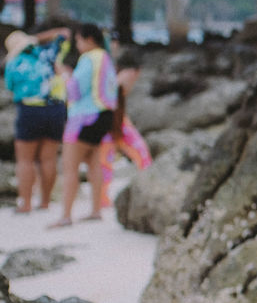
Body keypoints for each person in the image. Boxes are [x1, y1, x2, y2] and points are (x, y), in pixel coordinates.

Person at [51, 22, 117, 227]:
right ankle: (95, 210)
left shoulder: (89, 58)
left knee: (70, 168)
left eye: (78, 40)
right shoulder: (106, 58)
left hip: (84, 117)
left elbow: (75, 90)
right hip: (104, 115)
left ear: (89, 40)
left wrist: (63, 73)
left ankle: (66, 216)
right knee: (94, 163)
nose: (77, 45)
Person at [4, 27, 71, 212]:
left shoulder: (14, 62)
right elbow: (64, 33)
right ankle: (45, 201)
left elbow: (10, 86)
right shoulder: (47, 54)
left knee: (25, 160)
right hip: (55, 109)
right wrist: (35, 38)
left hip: (30, 110)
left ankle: (25, 203)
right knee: (48, 159)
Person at [97, 42, 152, 208]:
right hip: (114, 120)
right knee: (140, 153)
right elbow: (114, 100)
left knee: (105, 160)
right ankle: (149, 185)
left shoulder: (114, 72)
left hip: (111, 120)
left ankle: (102, 198)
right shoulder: (125, 75)